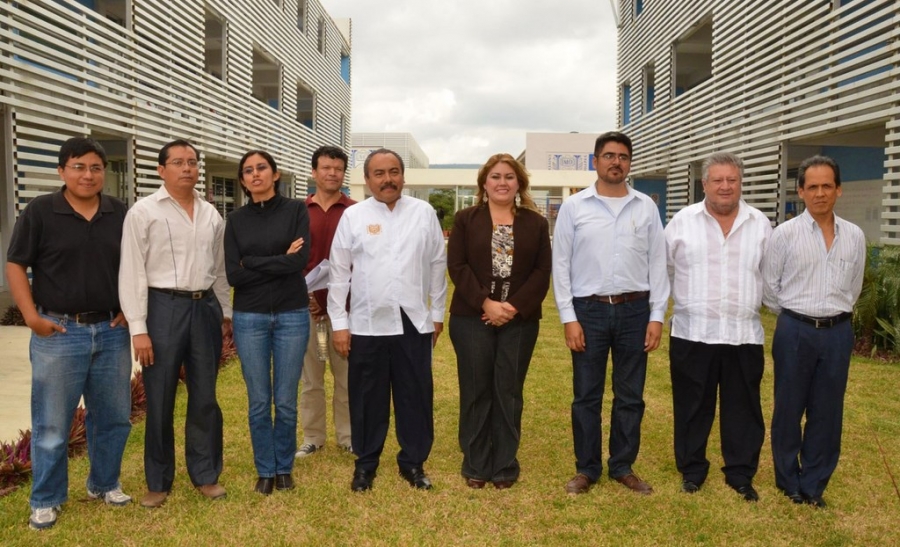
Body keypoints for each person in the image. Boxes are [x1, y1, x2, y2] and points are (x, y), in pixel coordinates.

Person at [6, 138, 132, 530]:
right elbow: (15, 265)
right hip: (59, 331)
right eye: (79, 166)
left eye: (96, 167)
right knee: (52, 424)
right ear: (62, 171)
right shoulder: (41, 211)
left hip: (111, 331)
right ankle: (45, 499)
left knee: (113, 418)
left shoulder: (120, 213)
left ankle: (104, 483)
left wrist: (130, 308)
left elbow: (137, 265)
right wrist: (30, 316)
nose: (88, 174)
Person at [552, 131, 669, 495]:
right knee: (586, 395)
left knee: (630, 395)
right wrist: (569, 317)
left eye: (622, 156)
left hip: (636, 310)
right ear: (596, 161)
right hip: (590, 311)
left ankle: (622, 466)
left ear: (629, 163)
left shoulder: (645, 207)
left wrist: (657, 315)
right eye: (608, 156)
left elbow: (658, 264)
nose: (616, 162)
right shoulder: (575, 207)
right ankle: (586, 469)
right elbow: (561, 264)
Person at [119, 139, 233, 508]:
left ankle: (205, 474)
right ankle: (158, 479)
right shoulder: (143, 212)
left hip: (204, 310)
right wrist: (139, 327)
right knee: (161, 396)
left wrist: (225, 313)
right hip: (162, 308)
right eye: (179, 162)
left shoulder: (211, 215)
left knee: (205, 397)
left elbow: (219, 270)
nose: (188, 168)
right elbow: (132, 271)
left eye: (193, 162)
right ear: (161, 169)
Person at [327, 148, 447, 492]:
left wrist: (436, 314)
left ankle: (413, 462)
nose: (387, 179)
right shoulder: (353, 217)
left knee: (416, 395)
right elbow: (339, 274)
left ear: (403, 176)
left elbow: (438, 265)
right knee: (367, 397)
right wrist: (340, 323)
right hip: (366, 323)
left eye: (393, 171)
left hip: (413, 322)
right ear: (367, 180)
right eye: (379, 173)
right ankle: (366, 464)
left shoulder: (423, 213)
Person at [665, 152, 772, 502]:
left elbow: (769, 275)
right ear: (704, 184)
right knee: (692, 406)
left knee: (743, 407)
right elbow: (664, 272)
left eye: (732, 180)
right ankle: (692, 471)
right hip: (693, 332)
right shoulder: (681, 222)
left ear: (740, 183)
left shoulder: (760, 224)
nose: (725, 186)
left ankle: (740, 474)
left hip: (743, 334)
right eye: (718, 180)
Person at [763, 155, 865, 508]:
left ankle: (814, 484)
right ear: (801, 191)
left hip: (837, 333)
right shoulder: (784, 235)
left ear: (838, 189)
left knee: (827, 410)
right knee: (789, 408)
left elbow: (853, 287)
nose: (820, 193)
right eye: (812, 187)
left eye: (827, 186)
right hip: (795, 329)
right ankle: (788, 480)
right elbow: (770, 289)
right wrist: (797, 317)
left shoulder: (855, 236)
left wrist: (832, 317)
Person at [447, 153, 551, 490]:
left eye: (509, 176)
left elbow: (541, 272)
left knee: (508, 390)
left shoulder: (536, 223)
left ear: (519, 183)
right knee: (476, 388)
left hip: (519, 320)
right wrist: (486, 303)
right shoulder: (465, 219)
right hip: (471, 316)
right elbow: (457, 266)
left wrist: (512, 307)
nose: (502, 182)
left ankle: (505, 463)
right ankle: (476, 462)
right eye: (495, 176)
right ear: (484, 183)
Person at [225, 150, 310, 495]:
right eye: (248, 170)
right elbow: (233, 274)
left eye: (262, 168)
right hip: (250, 318)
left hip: (292, 313)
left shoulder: (295, 210)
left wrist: (253, 263)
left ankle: (284, 467)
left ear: (275, 174)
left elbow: (299, 262)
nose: (255, 174)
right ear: (243, 180)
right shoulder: (235, 220)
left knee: (286, 399)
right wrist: (280, 260)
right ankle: (265, 469)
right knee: (259, 400)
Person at [297, 145, 355, 458]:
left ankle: (347, 437)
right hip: (309, 311)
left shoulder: (356, 211)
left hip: (346, 312)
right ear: (314, 172)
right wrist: (306, 296)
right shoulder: (298, 212)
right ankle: (313, 437)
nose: (332, 173)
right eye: (325, 168)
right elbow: (290, 259)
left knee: (346, 378)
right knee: (311, 378)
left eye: (337, 168)